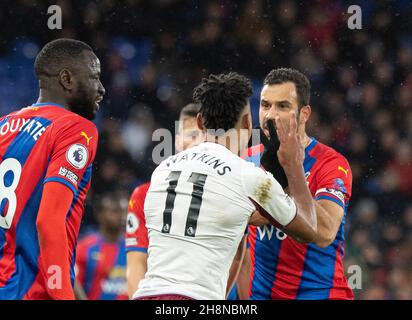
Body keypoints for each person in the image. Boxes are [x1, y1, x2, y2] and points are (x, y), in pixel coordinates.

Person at [132, 72, 317, 300]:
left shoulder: (162, 170)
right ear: (248, 124)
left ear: (200, 122)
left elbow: (236, 250)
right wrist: (294, 165)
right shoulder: (248, 177)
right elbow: (308, 228)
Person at [0, 38, 105, 299]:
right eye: (94, 77)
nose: (101, 88)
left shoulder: (4, 126)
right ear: (67, 79)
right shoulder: (76, 129)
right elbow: (49, 221)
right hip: (32, 290)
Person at [245, 67, 354, 300]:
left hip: (320, 295)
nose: (270, 115)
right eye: (265, 105)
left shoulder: (331, 163)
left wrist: (288, 176)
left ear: (304, 114)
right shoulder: (246, 159)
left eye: (282, 106)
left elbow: (324, 233)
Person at [125, 103, 203, 298]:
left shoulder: (227, 194)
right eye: (192, 135)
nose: (197, 144)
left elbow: (240, 262)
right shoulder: (145, 195)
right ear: (177, 141)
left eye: (205, 137)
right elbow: (136, 264)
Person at [75, 195, 128, 300]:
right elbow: (73, 283)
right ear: (100, 215)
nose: (122, 216)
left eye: (125, 211)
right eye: (115, 211)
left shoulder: (135, 249)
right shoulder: (84, 248)